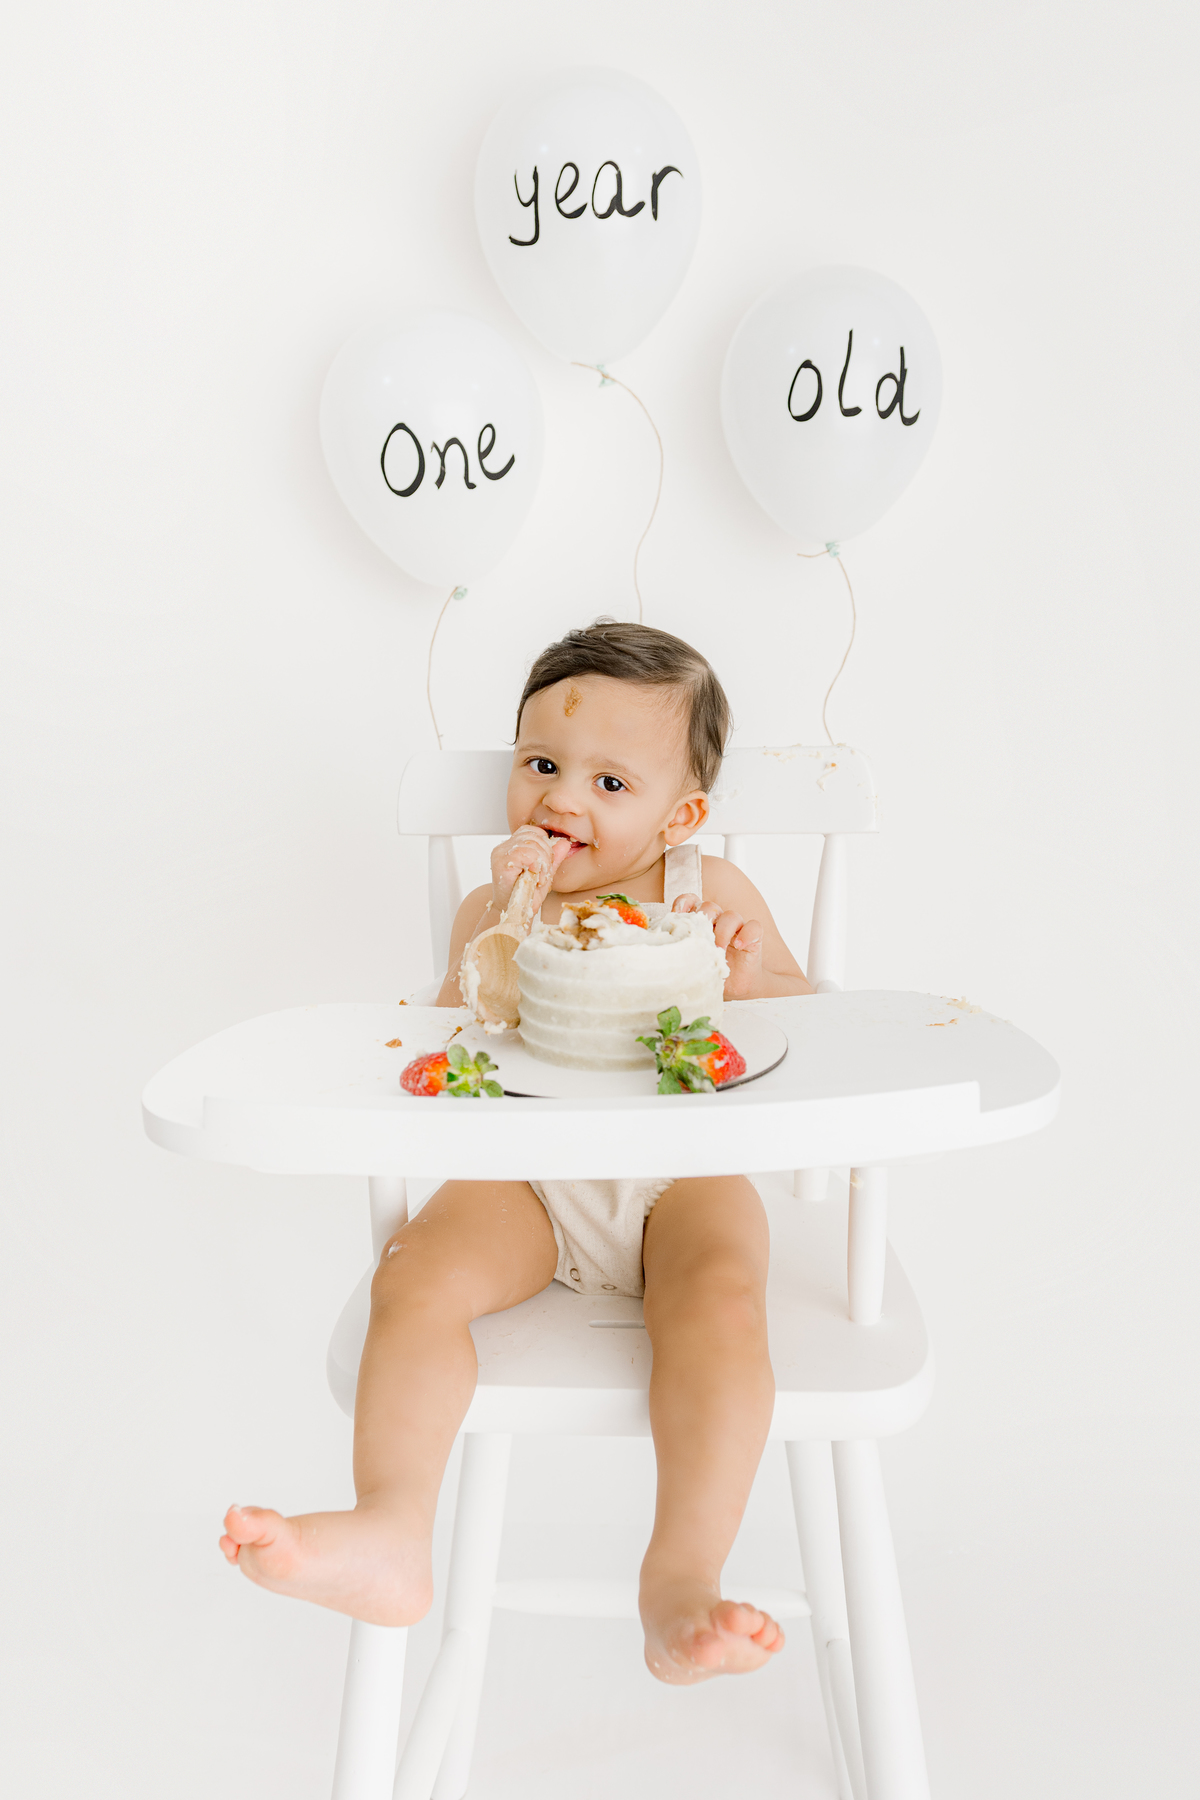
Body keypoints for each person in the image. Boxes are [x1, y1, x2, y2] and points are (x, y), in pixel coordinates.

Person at [220, 621, 813, 1683]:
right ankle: (393, 1530)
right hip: (530, 1183)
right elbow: (457, 1042)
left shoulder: (707, 895)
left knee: (722, 1302)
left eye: (609, 781)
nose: (562, 800)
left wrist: (757, 970)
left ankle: (680, 1576)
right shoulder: (493, 907)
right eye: (542, 765)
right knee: (414, 1279)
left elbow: (811, 1039)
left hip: (684, 1177)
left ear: (680, 815)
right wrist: (504, 921)